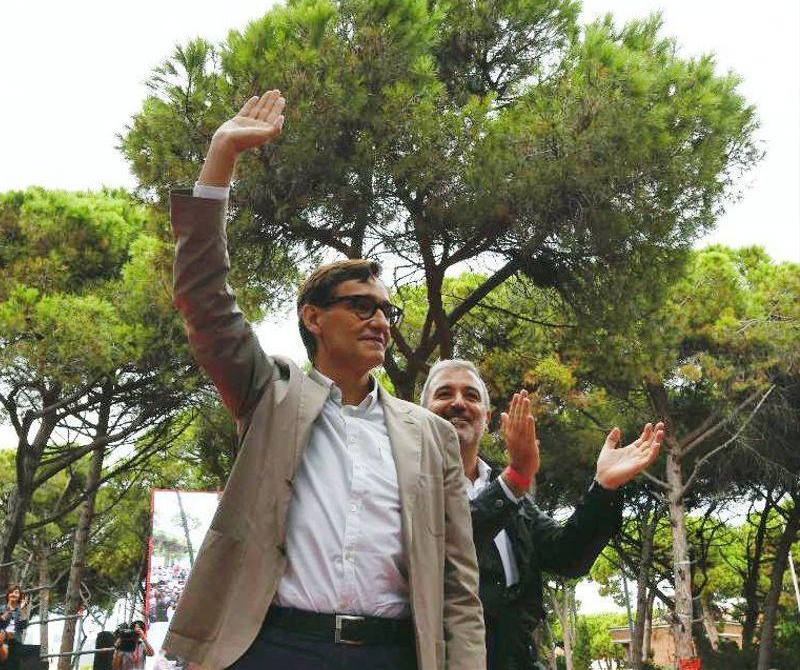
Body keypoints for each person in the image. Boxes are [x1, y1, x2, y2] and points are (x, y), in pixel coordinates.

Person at [162, 91, 484, 670]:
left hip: (393, 653)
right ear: (314, 317)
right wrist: (221, 159)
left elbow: (459, 583)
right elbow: (204, 298)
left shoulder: (431, 436)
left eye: (387, 311)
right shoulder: (271, 392)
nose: (380, 321)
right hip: (275, 647)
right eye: (361, 306)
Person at [420, 360, 663, 669]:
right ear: (421, 413)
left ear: (488, 417)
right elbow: (449, 538)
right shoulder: (407, 483)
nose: (458, 403)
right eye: (444, 393)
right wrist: (515, 479)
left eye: (471, 395)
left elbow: (567, 555)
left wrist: (604, 487)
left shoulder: (508, 491)